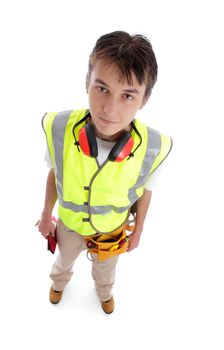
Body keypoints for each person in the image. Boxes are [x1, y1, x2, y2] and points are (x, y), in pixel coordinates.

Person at [37, 30, 172, 314]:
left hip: (112, 229)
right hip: (70, 224)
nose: (110, 109)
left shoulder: (153, 147)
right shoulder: (59, 129)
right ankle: (59, 283)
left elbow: (146, 191)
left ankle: (103, 292)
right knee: (63, 260)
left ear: (144, 99)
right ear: (87, 82)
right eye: (102, 89)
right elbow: (54, 173)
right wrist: (46, 214)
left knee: (106, 272)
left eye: (127, 96)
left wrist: (139, 231)